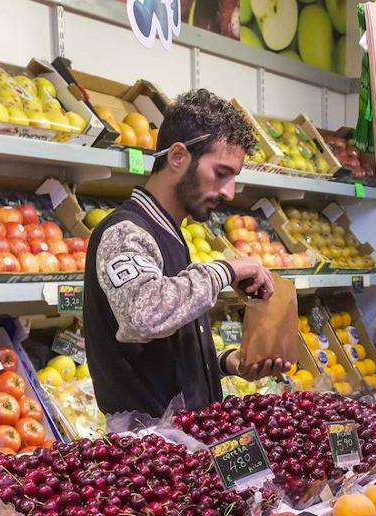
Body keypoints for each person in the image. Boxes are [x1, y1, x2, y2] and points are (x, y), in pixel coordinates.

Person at [83, 89, 289, 417]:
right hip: (146, 456)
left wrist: (227, 363)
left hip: (182, 446)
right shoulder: (124, 232)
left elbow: (164, 351)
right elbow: (143, 314)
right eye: (221, 174)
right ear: (178, 157)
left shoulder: (170, 232)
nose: (229, 192)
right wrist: (225, 271)